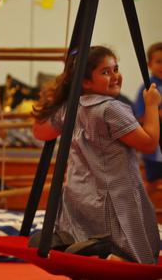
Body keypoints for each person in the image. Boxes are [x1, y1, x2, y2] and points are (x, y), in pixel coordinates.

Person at [32, 45, 160, 264]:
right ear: (85, 82)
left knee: (86, 233)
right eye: (105, 72)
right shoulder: (111, 109)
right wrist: (151, 106)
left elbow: (40, 132)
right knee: (142, 254)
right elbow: (148, 144)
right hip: (115, 196)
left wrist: (57, 100)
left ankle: (79, 245)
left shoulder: (71, 108)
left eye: (115, 69)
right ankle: (110, 254)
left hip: (79, 195)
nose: (115, 76)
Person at [133, 42, 162, 197]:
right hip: (155, 147)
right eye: (159, 62)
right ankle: (136, 208)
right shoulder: (146, 88)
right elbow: (140, 118)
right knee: (152, 182)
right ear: (150, 64)